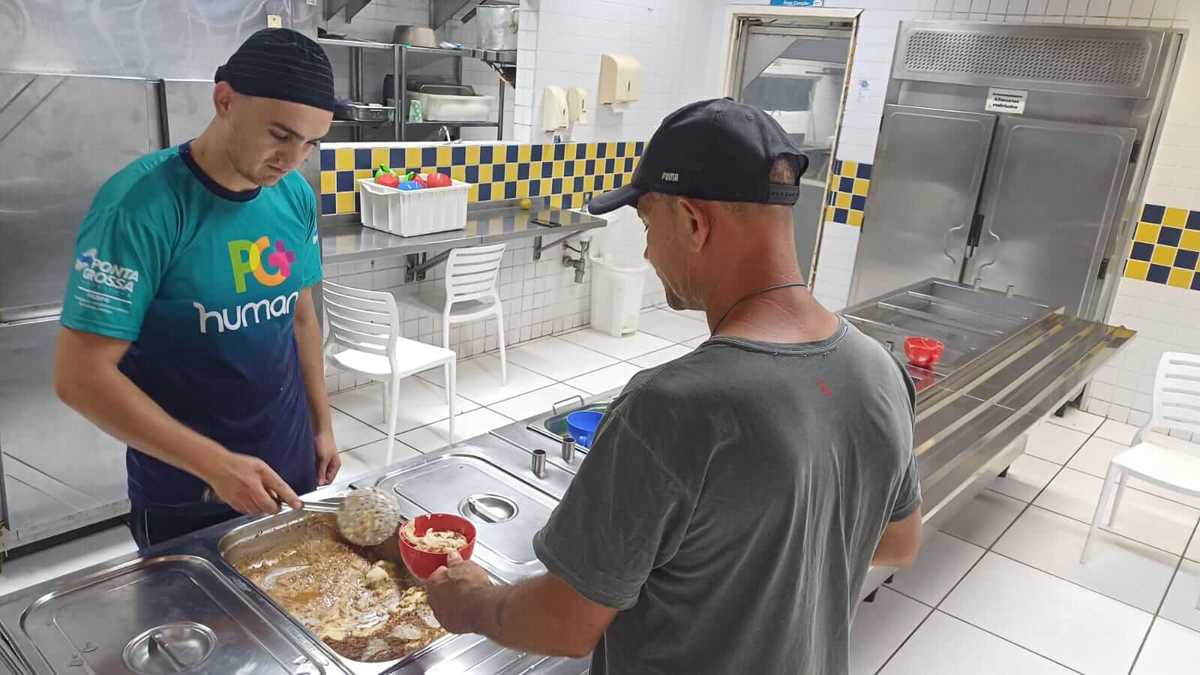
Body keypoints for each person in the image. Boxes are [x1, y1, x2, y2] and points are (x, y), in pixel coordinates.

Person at [423, 98, 923, 674]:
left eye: (645, 224)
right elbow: (897, 544)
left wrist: (474, 603)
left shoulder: (671, 408)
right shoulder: (877, 367)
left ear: (691, 220)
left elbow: (564, 624)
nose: (645, 250)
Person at [53, 28, 340, 549]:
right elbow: (79, 377)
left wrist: (322, 425)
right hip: (188, 486)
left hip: (287, 461)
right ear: (225, 100)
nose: (292, 159)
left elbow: (300, 316)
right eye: (280, 134)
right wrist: (215, 465)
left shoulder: (294, 194)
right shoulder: (140, 208)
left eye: (310, 143)